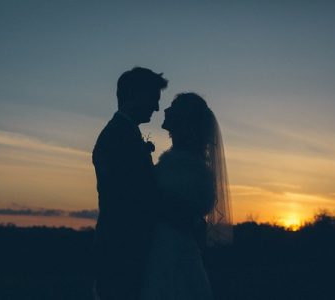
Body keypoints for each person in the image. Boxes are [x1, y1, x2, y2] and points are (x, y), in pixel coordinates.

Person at [140, 93, 232, 300]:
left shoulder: (189, 166)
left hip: (171, 252)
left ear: (185, 119)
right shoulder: (178, 160)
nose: (166, 110)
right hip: (160, 248)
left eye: (173, 107)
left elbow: (180, 212)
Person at [92, 67, 168, 300]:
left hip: (126, 248)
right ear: (135, 94)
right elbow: (132, 199)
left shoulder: (125, 133)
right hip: (122, 249)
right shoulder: (117, 137)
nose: (156, 108)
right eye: (154, 99)